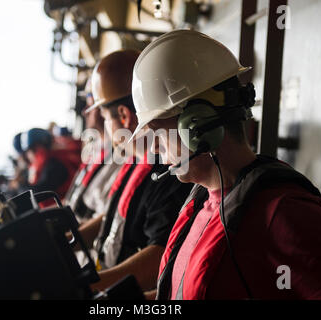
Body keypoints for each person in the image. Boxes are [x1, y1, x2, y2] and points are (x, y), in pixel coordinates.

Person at [128, 29, 321, 299]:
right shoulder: (201, 203)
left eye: (157, 131)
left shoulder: (283, 212)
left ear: (197, 124)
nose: (154, 146)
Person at [78, 49, 193, 293]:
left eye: (104, 117)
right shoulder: (138, 162)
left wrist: (84, 291)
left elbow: (160, 257)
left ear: (123, 115)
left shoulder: (172, 170)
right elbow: (116, 215)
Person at [63, 79, 122, 224]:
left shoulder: (123, 153)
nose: (84, 111)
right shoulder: (94, 148)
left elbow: (105, 215)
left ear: (104, 109)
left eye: (90, 104)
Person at [21, 127, 79, 202]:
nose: (28, 156)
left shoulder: (55, 165)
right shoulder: (48, 163)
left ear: (39, 147)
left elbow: (38, 192)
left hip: (68, 209)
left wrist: (20, 186)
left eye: (31, 150)